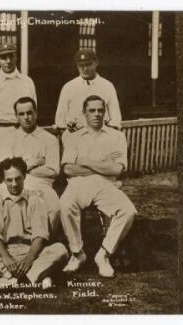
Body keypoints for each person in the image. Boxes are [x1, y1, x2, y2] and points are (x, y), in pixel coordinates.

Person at [60, 95, 136, 278]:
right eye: (92, 110)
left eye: (100, 110)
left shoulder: (116, 136)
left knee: (128, 210)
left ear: (105, 113)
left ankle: (104, 254)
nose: (97, 114)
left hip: (106, 185)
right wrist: (103, 166)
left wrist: (85, 161)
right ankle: (78, 253)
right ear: (84, 113)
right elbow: (68, 169)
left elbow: (117, 168)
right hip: (78, 184)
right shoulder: (73, 137)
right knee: (65, 204)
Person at [0, 157, 68, 289]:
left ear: (24, 177)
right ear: (3, 180)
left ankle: (9, 280)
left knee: (60, 250)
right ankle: (34, 277)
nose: (14, 184)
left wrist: (29, 258)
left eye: (18, 178)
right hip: (5, 253)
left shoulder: (36, 200)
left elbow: (40, 235)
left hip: (32, 253)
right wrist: (6, 257)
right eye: (9, 180)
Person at [0, 97, 61, 237]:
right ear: (16, 116)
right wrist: (35, 162)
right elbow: (6, 169)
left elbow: (53, 171)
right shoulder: (10, 139)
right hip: (12, 183)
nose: (26, 117)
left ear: (36, 113)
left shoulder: (49, 139)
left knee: (55, 208)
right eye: (21, 114)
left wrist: (20, 166)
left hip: (41, 185)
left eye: (29, 113)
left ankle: (47, 241)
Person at [0, 43, 37, 165]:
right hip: (3, 134)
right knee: (6, 172)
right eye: (3, 57)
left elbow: (34, 110)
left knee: (28, 169)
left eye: (11, 56)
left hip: (26, 133)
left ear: (16, 57)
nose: (8, 61)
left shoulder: (27, 82)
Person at [55, 49, 122, 138]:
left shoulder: (107, 86)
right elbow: (60, 120)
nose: (85, 69)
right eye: (81, 65)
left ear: (96, 63)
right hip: (75, 139)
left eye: (88, 64)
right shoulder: (68, 87)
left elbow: (116, 118)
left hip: (101, 139)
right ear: (77, 66)